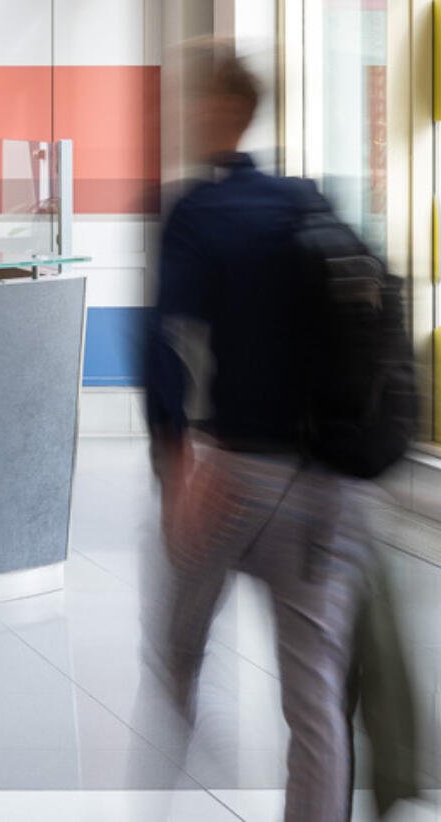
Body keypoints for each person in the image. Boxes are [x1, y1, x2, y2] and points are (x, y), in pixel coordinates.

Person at [145, 42, 375, 822]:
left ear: (219, 112)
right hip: (328, 484)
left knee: (178, 648)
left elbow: (163, 345)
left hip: (234, 477)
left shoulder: (197, 211)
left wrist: (174, 462)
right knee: (314, 693)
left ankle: (169, 785)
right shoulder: (311, 201)